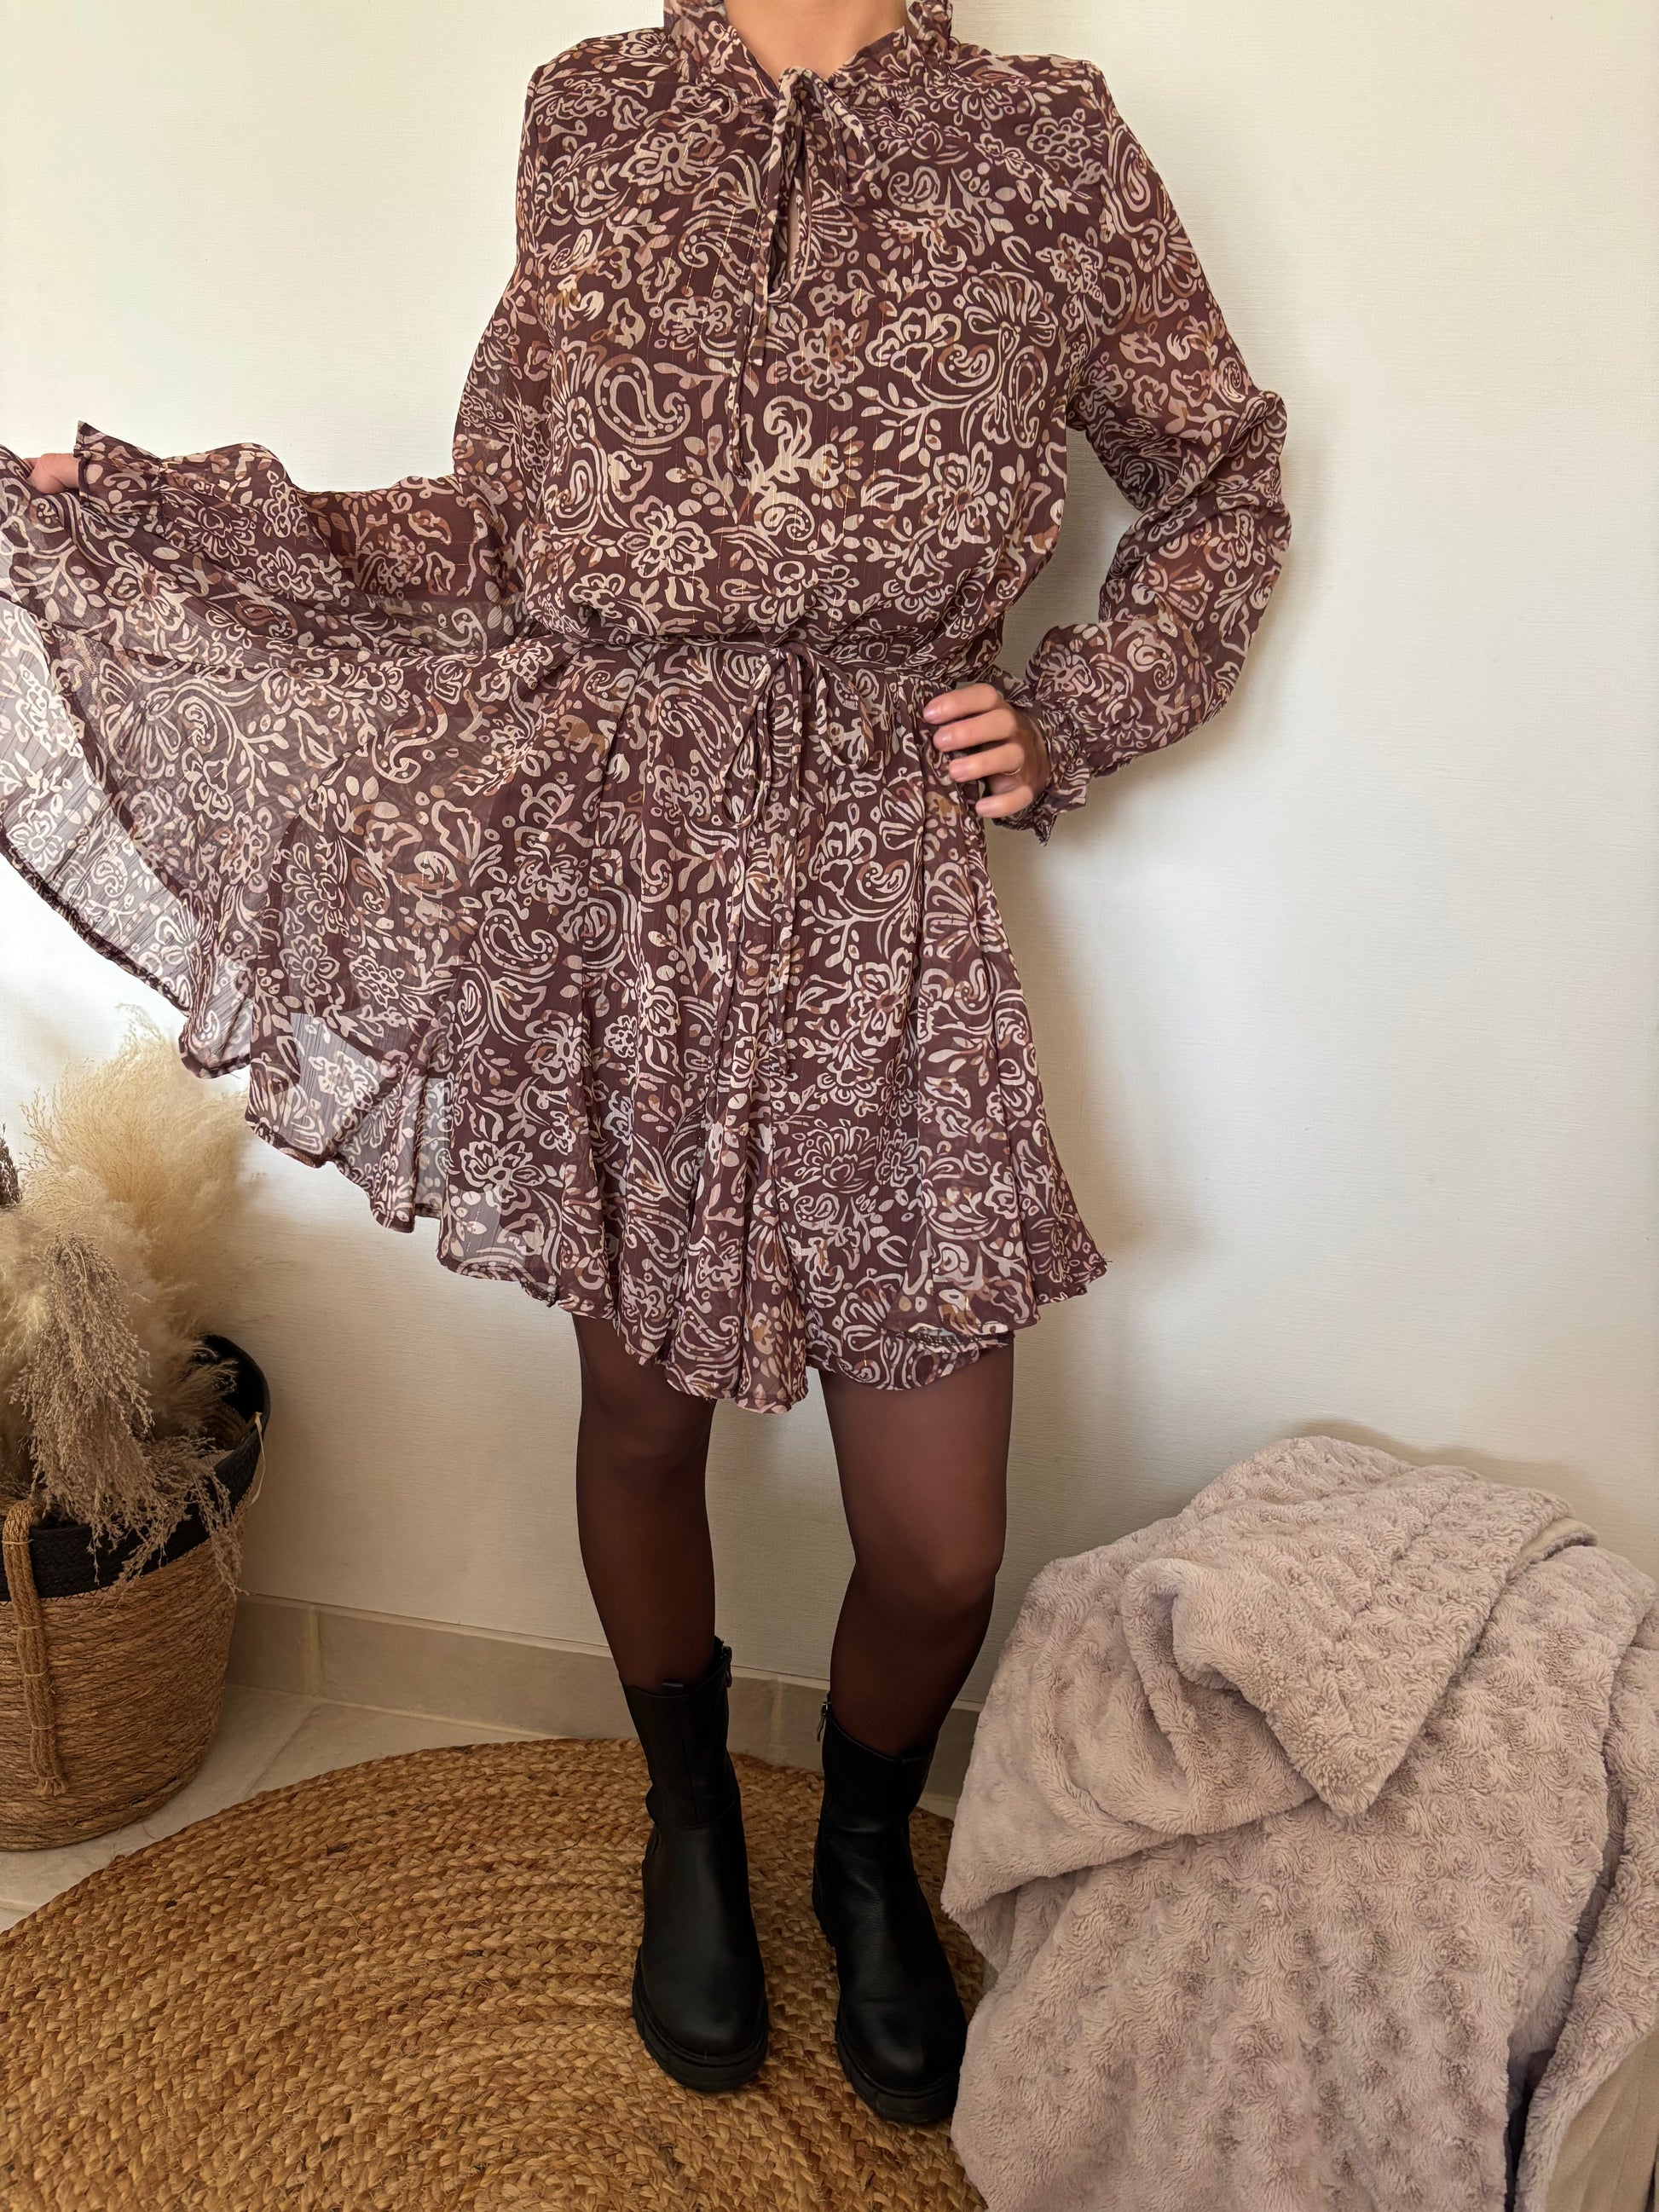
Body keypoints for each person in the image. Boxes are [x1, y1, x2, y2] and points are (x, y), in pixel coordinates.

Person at [0, 0, 1289, 2126]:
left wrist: (1079, 710)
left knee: (937, 1536)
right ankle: (689, 1821)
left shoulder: (1043, 146)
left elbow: (1221, 478)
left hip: (881, 896)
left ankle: (858, 1852)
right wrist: (153, 509)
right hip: (622, 883)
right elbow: (495, 530)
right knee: (636, 1411)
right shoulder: (593, 111)